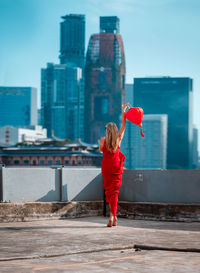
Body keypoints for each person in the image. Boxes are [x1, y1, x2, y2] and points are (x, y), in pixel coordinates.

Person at [99, 104, 129, 227]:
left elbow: (101, 150)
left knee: (109, 191)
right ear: (115, 131)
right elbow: (123, 124)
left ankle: (112, 216)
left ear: (107, 131)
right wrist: (123, 112)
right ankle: (113, 216)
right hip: (116, 167)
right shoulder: (118, 139)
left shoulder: (102, 141)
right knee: (115, 192)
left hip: (106, 167)